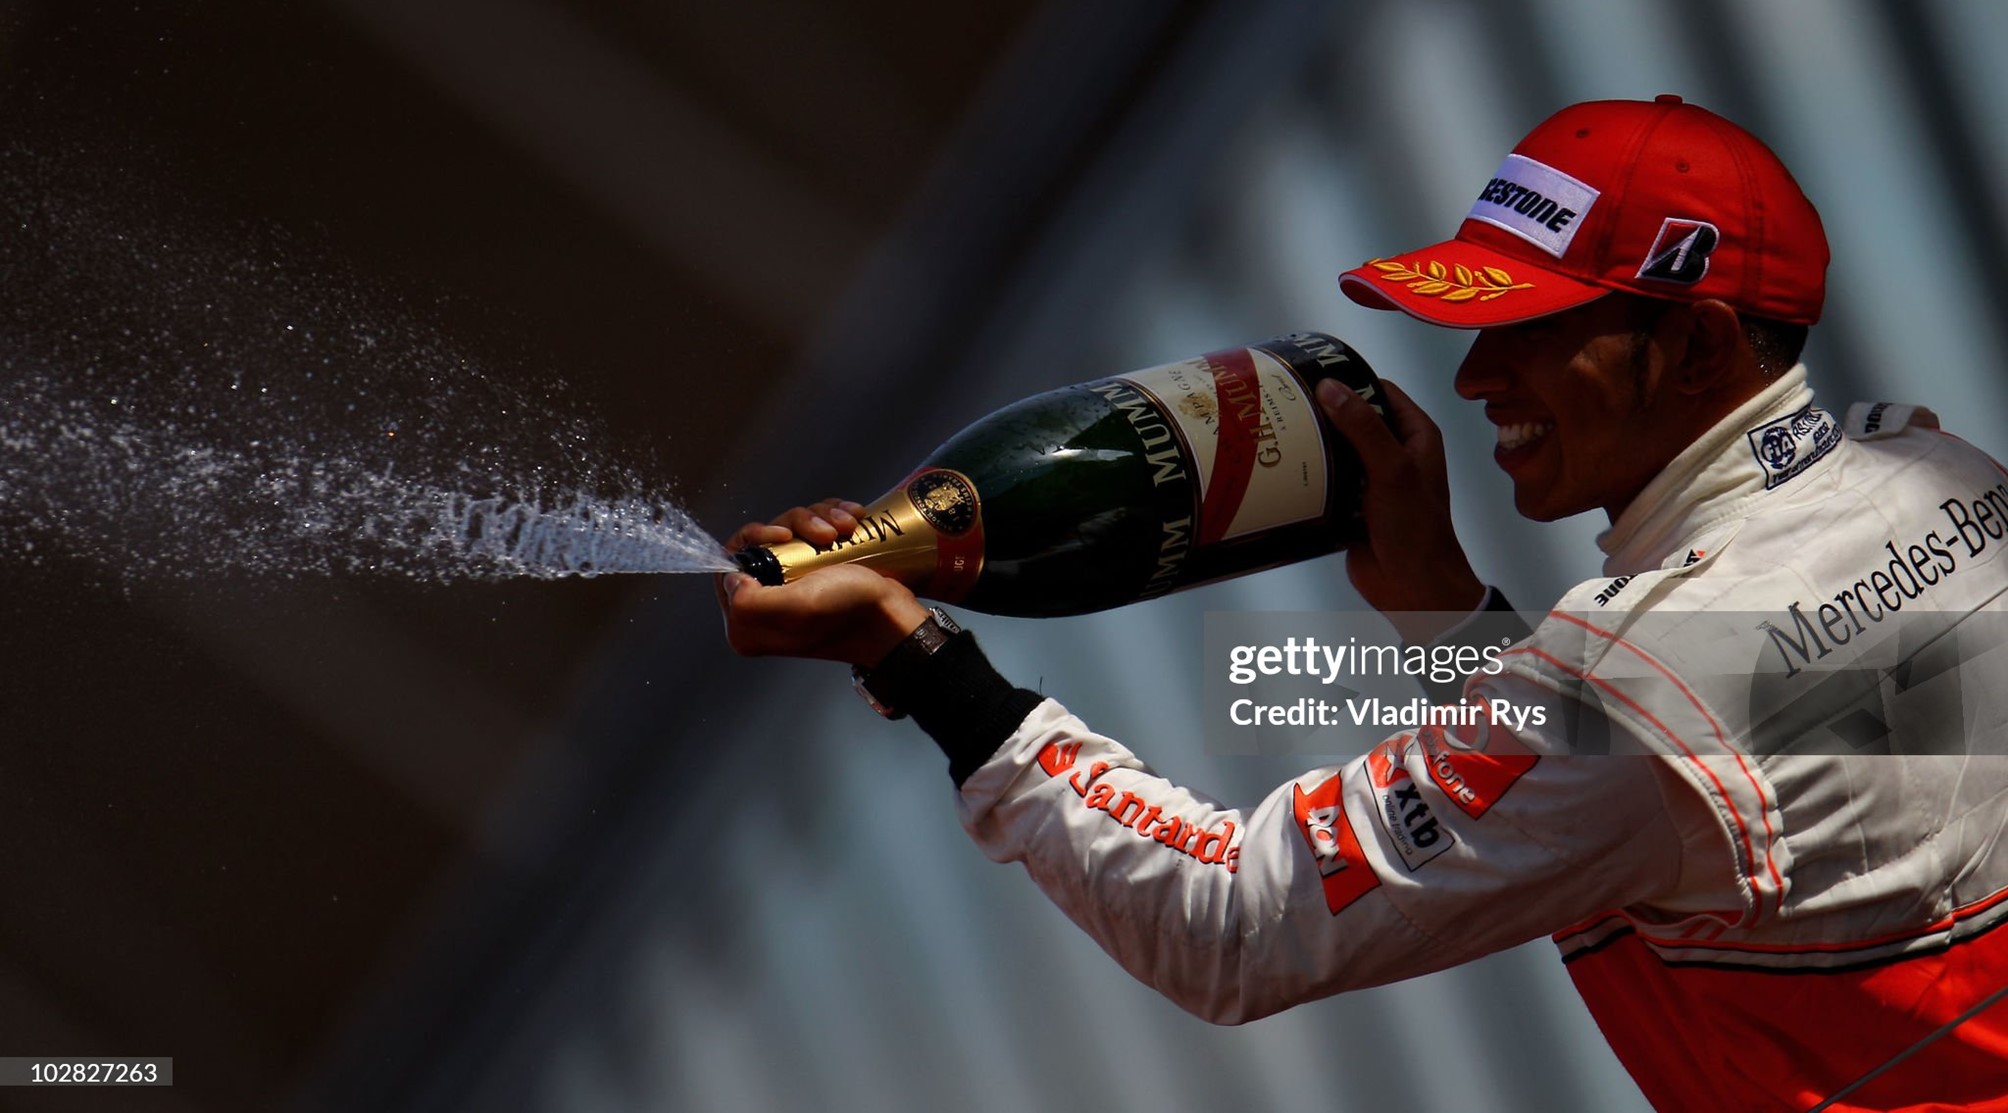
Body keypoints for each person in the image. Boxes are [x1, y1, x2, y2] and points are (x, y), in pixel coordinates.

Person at [718, 96, 2008, 1110]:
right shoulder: (1949, 489)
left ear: (1703, 348)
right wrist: (1444, 611)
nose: (1474, 372)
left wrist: (918, 659)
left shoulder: (1657, 683)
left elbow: (1226, 926)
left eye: (1532, 328)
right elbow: (1659, 777)